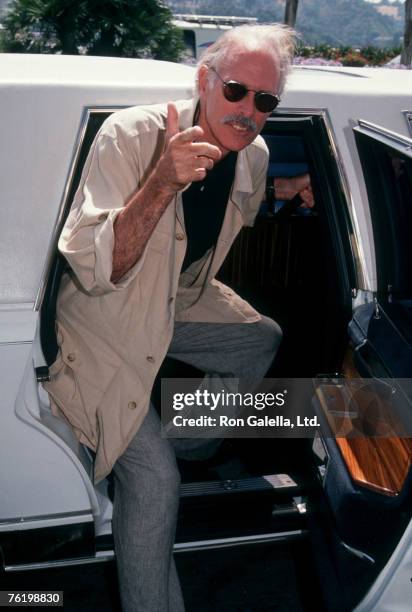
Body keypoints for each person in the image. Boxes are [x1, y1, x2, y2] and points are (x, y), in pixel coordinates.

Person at [44, 23, 310, 612]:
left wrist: (292, 186)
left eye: (265, 101)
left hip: (173, 297)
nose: (248, 110)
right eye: (236, 91)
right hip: (102, 321)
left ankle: (186, 437)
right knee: (154, 482)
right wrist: (163, 182)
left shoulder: (253, 155)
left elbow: (213, 232)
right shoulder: (132, 136)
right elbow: (96, 269)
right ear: (204, 80)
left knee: (259, 340)